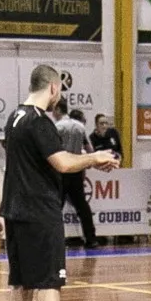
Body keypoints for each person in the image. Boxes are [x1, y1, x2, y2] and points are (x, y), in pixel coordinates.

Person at [1, 65, 118, 301]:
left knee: (22, 283)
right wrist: (95, 158)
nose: (60, 96)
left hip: (14, 210)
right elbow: (63, 162)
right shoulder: (40, 122)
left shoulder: (14, 117)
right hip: (40, 211)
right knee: (50, 283)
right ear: (53, 88)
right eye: (60, 90)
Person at [54, 98, 98, 248]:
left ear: (58, 110)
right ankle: (91, 238)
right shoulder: (80, 127)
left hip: (61, 170)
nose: (53, 113)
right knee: (82, 206)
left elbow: (51, 150)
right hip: (77, 171)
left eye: (54, 110)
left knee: (55, 206)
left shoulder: (56, 127)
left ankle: (55, 241)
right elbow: (90, 149)